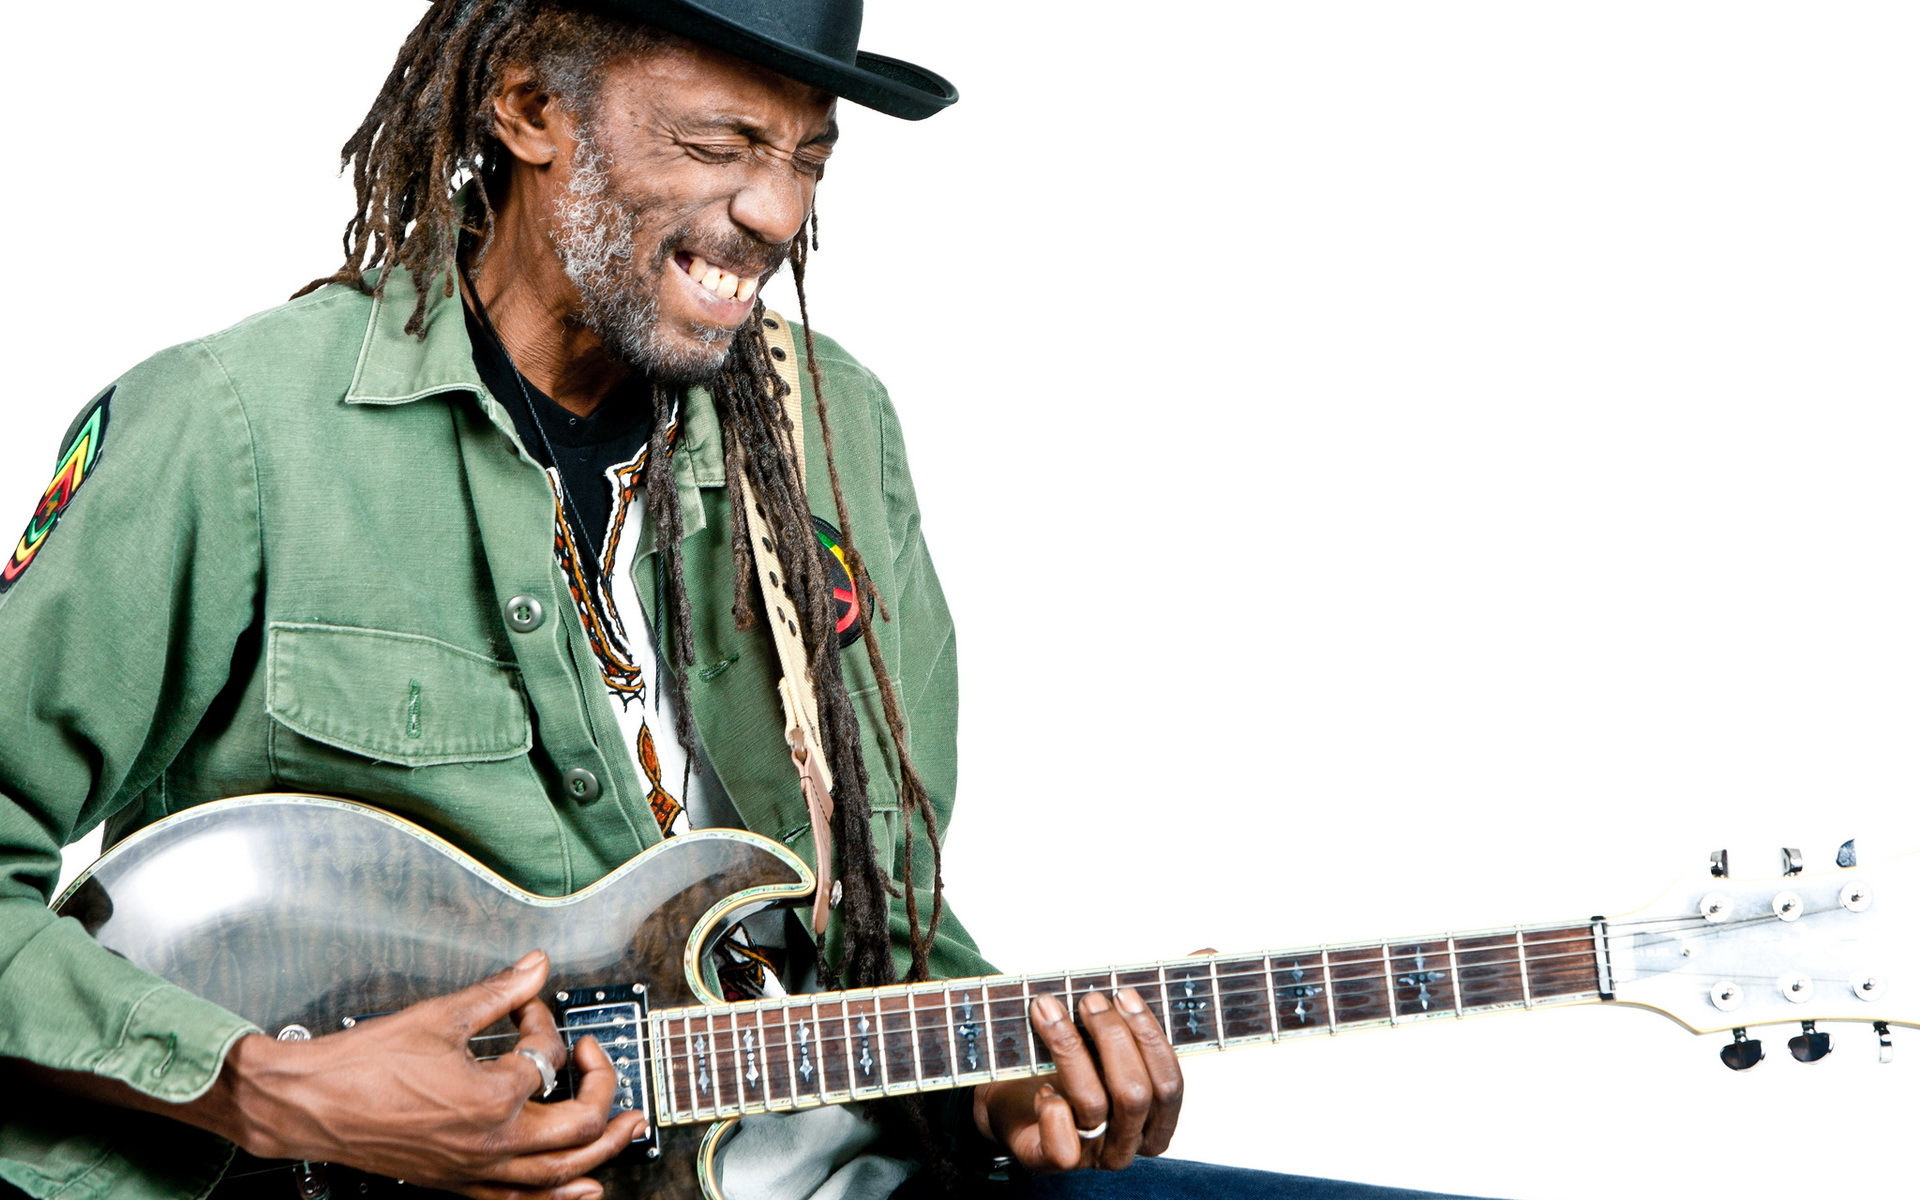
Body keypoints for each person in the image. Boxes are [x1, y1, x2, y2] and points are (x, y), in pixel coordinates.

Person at [0, 2, 1489, 1198]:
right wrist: (268, 1090)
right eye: (720, 142)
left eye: (810, 158)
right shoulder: (237, 431)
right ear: (528, 108)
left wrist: (1008, 1081)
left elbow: (888, 938)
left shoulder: (834, 431)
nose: (775, 209)